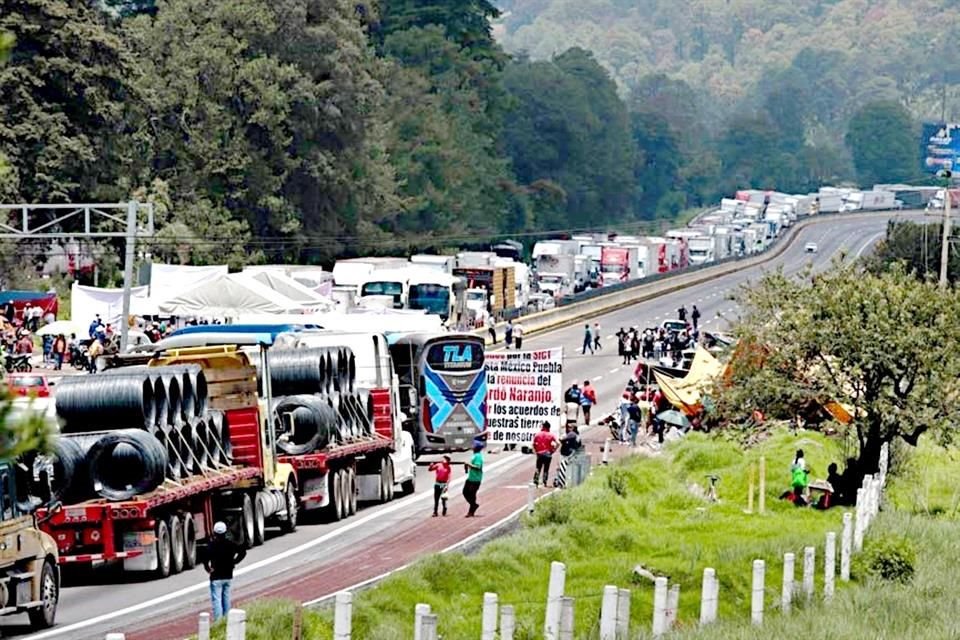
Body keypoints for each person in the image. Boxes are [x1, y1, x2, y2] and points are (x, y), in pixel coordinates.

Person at [203, 521, 246, 622]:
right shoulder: (230, 544)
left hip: (216, 576)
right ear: (225, 532)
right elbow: (243, 552)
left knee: (216, 600)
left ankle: (218, 621)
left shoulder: (212, 545)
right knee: (226, 598)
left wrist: (208, 569)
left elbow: (205, 559)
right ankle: (227, 619)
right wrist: (234, 562)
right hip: (228, 575)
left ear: (214, 533)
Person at [532, 422, 558, 487]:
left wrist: (535, 451)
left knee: (538, 468)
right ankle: (544, 482)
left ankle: (536, 480)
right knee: (546, 469)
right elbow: (558, 443)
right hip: (548, 454)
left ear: (543, 426)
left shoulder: (537, 434)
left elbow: (533, 444)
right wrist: (553, 450)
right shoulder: (551, 435)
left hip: (540, 454)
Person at [462, 442, 484, 517]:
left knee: (471, 494)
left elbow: (478, 467)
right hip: (470, 478)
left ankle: (471, 510)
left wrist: (468, 464)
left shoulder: (478, 456)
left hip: (476, 479)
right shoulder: (475, 456)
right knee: (465, 492)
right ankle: (473, 505)